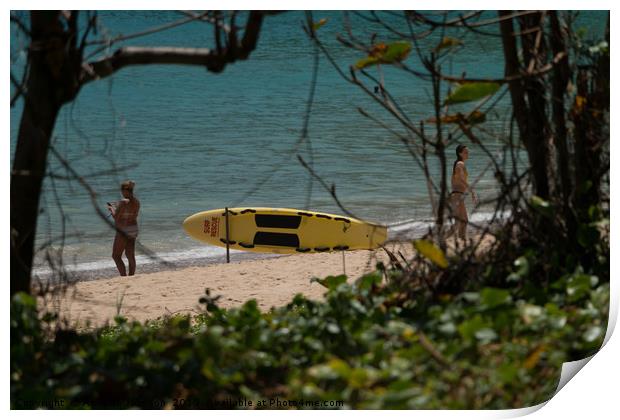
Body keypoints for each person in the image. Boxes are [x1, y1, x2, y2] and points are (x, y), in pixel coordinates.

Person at [108, 180, 140, 276]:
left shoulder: (123, 202)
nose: (121, 193)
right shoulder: (136, 202)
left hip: (123, 230)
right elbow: (131, 214)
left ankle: (123, 276)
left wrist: (111, 209)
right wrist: (118, 207)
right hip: (133, 228)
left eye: (121, 191)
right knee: (130, 255)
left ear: (124, 191)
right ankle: (131, 276)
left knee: (116, 256)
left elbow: (116, 218)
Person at [448, 145, 478, 241]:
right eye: (465, 152)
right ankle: (441, 239)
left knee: (462, 221)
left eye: (467, 152)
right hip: (457, 195)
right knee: (460, 221)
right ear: (460, 153)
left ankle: (461, 239)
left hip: (457, 195)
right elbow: (461, 179)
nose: (467, 154)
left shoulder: (458, 164)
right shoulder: (460, 164)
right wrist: (472, 191)